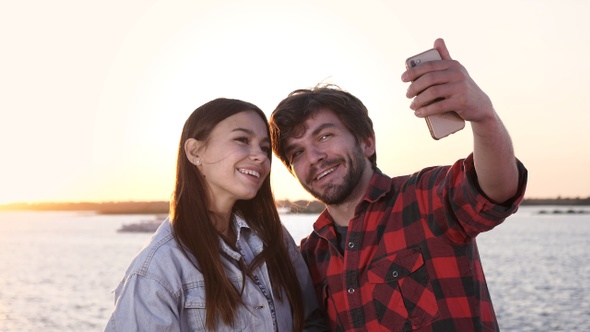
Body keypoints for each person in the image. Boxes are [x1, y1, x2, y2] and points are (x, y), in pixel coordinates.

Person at [268, 38, 528, 331]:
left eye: (324, 136)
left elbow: (497, 190)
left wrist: (483, 116)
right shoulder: (311, 256)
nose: (314, 157)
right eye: (297, 153)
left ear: (367, 142)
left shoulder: (426, 198)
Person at [105, 98, 326, 331]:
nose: (261, 156)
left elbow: (312, 320)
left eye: (264, 147)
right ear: (194, 151)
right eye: (242, 139)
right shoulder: (158, 269)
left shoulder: (274, 239)